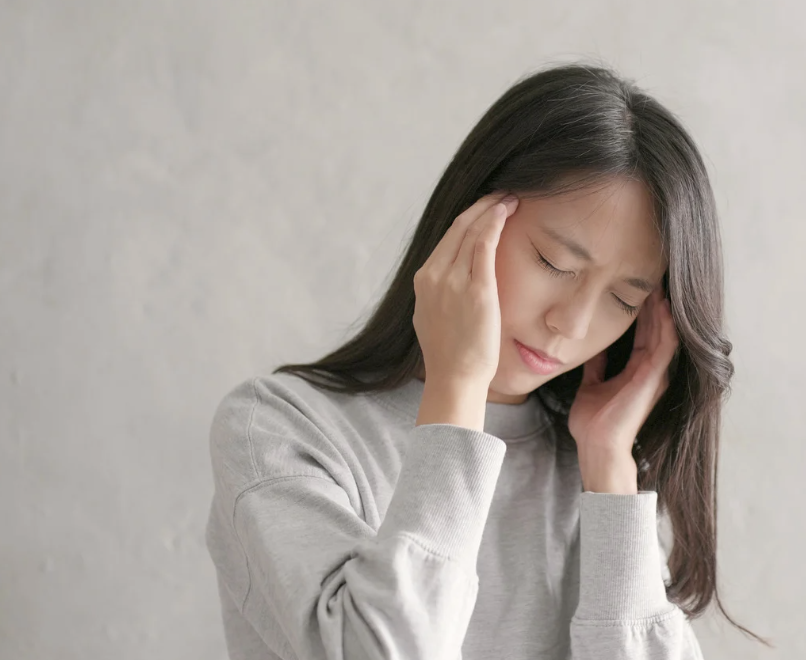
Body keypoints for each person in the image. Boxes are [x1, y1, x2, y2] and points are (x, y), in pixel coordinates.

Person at [203, 61, 771, 659]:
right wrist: (456, 390)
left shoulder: (596, 476)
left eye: (624, 299)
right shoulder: (281, 430)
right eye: (554, 263)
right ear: (470, 216)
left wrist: (609, 469)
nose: (573, 324)